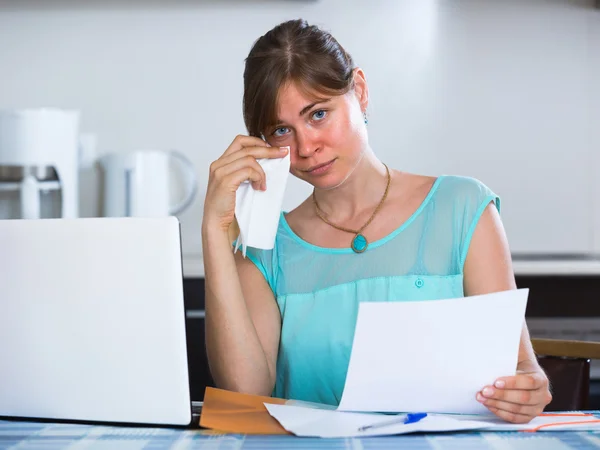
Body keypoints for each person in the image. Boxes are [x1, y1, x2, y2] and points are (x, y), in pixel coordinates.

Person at [201, 18, 552, 424]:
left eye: (318, 114)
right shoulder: (266, 248)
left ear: (360, 92)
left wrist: (528, 388)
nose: (306, 147)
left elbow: (521, 368)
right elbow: (244, 399)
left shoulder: (463, 209)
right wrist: (213, 229)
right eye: (282, 130)